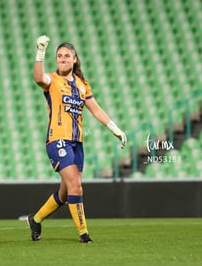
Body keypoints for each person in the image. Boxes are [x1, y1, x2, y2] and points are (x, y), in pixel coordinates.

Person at [27, 35, 127, 243]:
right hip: (57, 141)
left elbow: (95, 109)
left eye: (66, 56)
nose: (62, 59)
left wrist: (114, 128)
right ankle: (84, 234)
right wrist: (40, 53)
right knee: (76, 187)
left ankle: (35, 219)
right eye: (59, 56)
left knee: (65, 193)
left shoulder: (82, 85)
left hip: (76, 143)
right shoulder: (52, 80)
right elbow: (38, 78)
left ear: (74, 60)